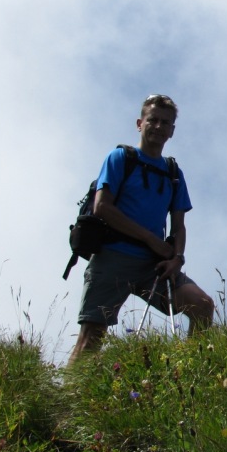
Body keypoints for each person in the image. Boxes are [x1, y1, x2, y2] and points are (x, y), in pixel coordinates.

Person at [68, 94, 214, 366]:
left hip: (153, 265)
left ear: (172, 130)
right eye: (153, 120)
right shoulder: (121, 158)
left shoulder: (173, 172)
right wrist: (151, 239)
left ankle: (190, 373)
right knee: (92, 337)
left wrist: (177, 258)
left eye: (165, 123)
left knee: (202, 305)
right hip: (113, 256)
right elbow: (102, 207)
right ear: (140, 123)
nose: (158, 126)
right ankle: (69, 392)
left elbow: (179, 225)